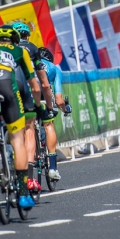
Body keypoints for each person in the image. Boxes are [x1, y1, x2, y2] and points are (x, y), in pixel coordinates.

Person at [0, 25, 42, 209]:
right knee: (18, 139)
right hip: (6, 84)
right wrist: (37, 106)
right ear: (15, 40)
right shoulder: (20, 51)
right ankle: (22, 194)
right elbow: (34, 86)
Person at [12, 22, 54, 193]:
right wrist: (45, 106)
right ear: (27, 36)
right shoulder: (31, 48)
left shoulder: (1, 50)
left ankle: (0, 156)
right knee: (31, 128)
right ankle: (30, 176)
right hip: (26, 89)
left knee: (10, 127)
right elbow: (43, 84)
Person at [37, 47, 71, 181]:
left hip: (26, 95)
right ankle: (52, 168)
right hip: (44, 97)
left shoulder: (27, 62)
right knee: (48, 124)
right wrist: (65, 109)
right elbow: (58, 99)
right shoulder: (54, 68)